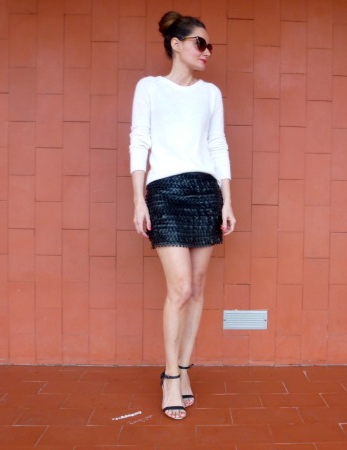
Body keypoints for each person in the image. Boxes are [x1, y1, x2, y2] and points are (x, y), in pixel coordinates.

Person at [129, 11, 235, 420]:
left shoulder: (210, 94)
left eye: (209, 46)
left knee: (197, 287)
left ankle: (186, 368)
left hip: (206, 193)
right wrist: (138, 200)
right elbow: (139, 141)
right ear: (176, 44)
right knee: (180, 286)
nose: (206, 52)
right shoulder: (150, 88)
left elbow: (217, 144)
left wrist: (227, 200)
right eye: (199, 43)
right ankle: (170, 376)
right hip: (165, 194)